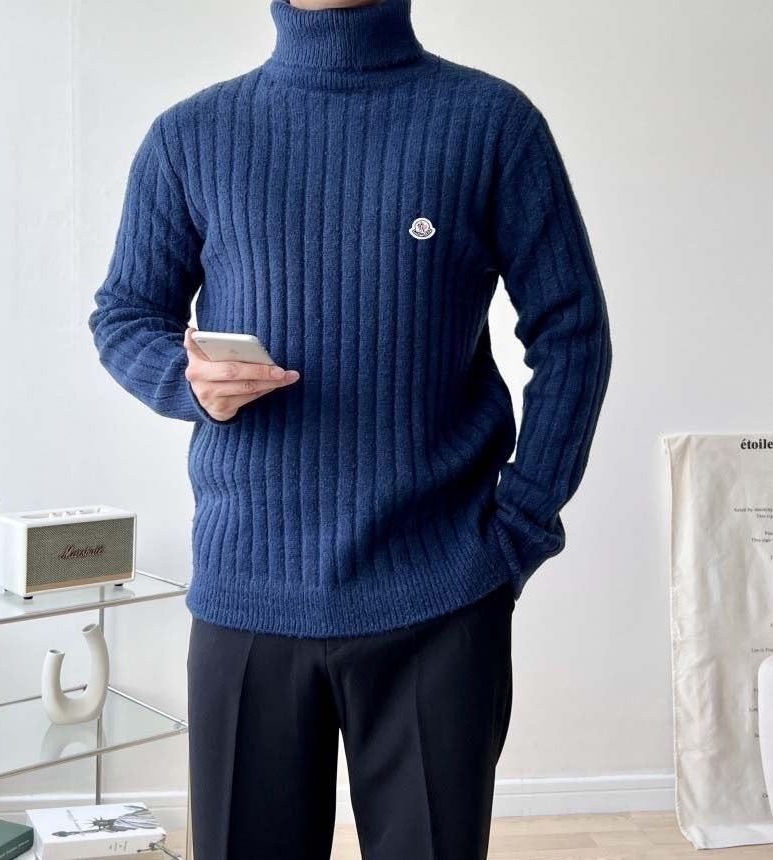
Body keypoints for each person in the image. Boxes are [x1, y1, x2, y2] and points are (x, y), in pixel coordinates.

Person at [88, 0, 612, 856]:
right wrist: (185, 380)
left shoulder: (490, 122)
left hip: (441, 596)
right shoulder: (190, 135)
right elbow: (126, 315)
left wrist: (520, 529)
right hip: (248, 595)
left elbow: (573, 332)